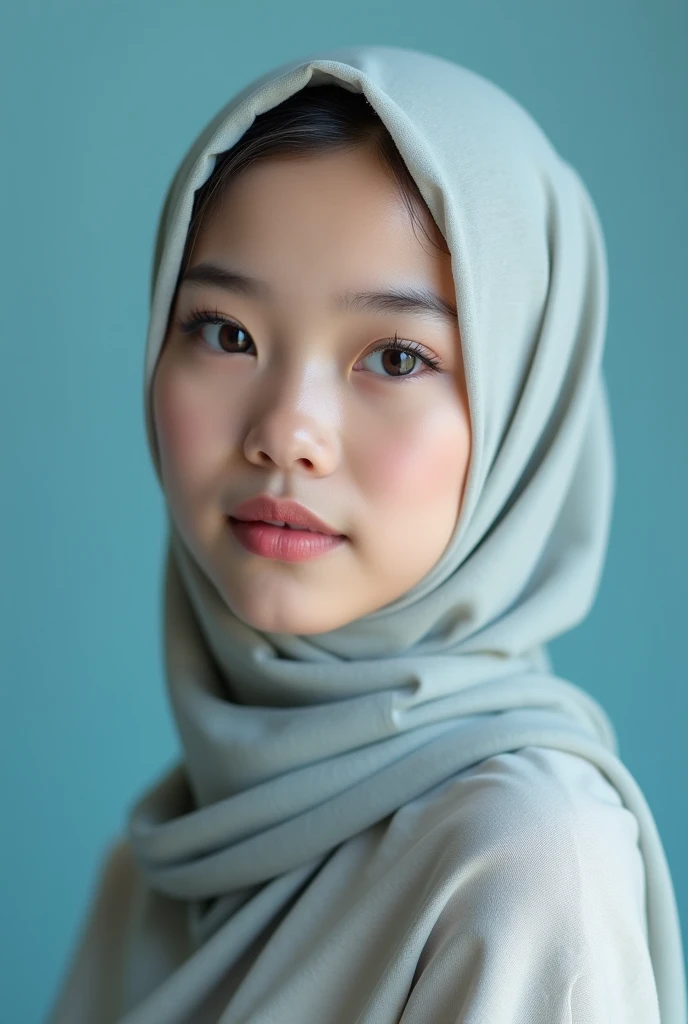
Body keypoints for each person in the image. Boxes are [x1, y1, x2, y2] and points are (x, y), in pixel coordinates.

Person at [46, 45, 687, 1023]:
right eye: (225, 332)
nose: (285, 435)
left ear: (526, 408)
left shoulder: (521, 866)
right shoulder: (157, 865)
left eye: (395, 355)